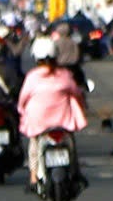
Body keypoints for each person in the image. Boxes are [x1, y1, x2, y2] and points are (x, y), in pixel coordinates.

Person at [17, 36, 89, 187]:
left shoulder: (32, 77)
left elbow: (23, 98)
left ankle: (33, 176)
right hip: (62, 121)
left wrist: (21, 110)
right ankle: (75, 171)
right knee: (70, 143)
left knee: (34, 145)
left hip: (39, 122)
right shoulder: (65, 75)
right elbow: (77, 92)